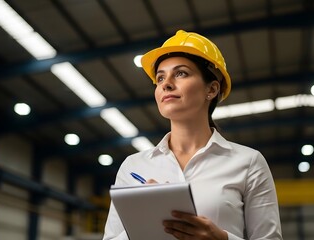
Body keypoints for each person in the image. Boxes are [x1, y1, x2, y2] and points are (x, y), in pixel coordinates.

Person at [103, 30, 283, 240]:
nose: (166, 84)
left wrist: (221, 239)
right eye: (160, 77)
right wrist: (146, 217)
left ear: (212, 89)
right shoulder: (133, 166)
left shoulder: (249, 162)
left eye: (181, 73)